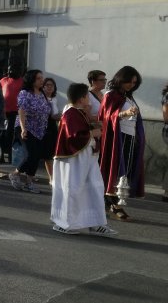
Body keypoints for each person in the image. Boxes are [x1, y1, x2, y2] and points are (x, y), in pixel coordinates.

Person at [50, 83, 118, 237]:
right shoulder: (71, 114)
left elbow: (82, 129)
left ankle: (96, 223)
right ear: (81, 99)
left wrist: (94, 126)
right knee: (72, 189)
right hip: (74, 159)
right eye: (87, 96)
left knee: (95, 187)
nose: (89, 98)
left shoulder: (79, 112)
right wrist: (92, 133)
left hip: (88, 157)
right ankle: (63, 224)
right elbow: (73, 137)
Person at [98, 66, 145, 221]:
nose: (131, 85)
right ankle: (113, 204)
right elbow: (105, 117)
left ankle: (112, 202)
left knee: (125, 172)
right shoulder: (110, 95)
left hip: (130, 138)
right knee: (116, 169)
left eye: (134, 83)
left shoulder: (128, 97)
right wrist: (124, 113)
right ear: (121, 79)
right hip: (117, 138)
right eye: (129, 82)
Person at [8, 69, 51, 194]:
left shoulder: (42, 93)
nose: (41, 80)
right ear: (32, 80)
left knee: (36, 156)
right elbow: (22, 111)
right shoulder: (25, 93)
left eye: (42, 78)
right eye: (38, 78)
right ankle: (16, 173)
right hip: (27, 128)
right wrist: (23, 128)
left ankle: (29, 182)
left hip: (40, 130)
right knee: (31, 154)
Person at [0, 65, 24, 163]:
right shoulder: (3, 80)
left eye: (12, 70)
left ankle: (11, 155)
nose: (10, 72)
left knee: (13, 134)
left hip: (16, 112)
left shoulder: (22, 81)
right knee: (2, 134)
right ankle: (1, 155)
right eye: (8, 70)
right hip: (4, 112)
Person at [42, 77, 60, 185]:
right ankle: (51, 177)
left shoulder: (54, 99)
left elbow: (55, 114)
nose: (49, 87)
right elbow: (51, 115)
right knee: (48, 154)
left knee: (53, 153)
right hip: (45, 126)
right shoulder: (41, 98)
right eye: (47, 85)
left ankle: (53, 176)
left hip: (53, 127)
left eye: (51, 85)